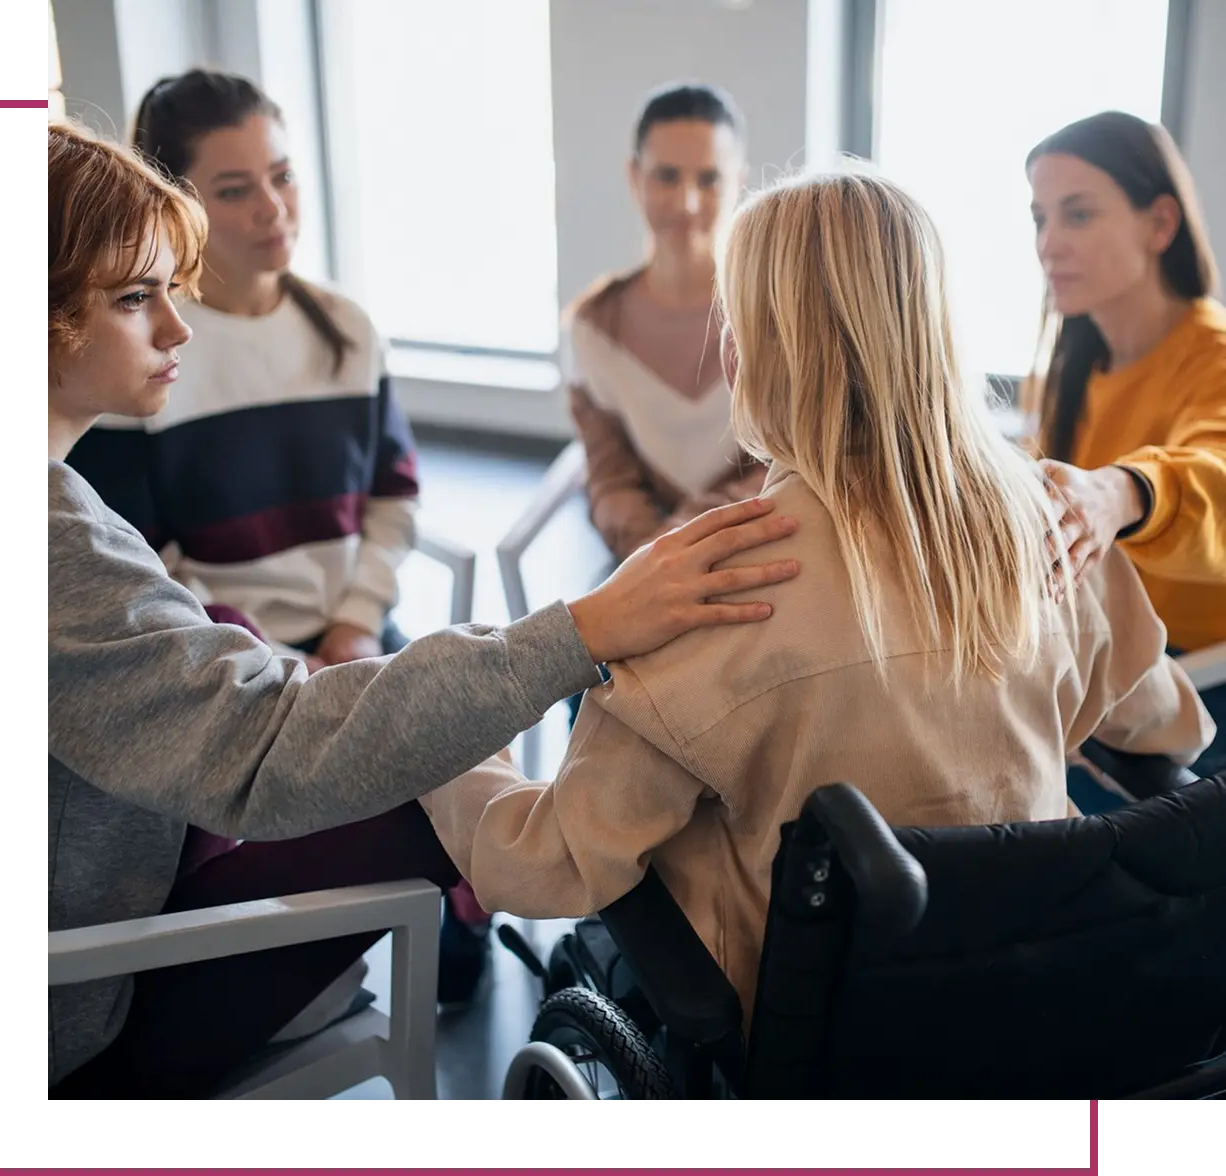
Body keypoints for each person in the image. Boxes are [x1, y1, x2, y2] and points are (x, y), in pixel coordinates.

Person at [44, 118, 802, 1099]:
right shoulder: (57, 540)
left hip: (151, 848)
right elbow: (268, 742)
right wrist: (583, 631)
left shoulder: (73, 504)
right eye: (135, 298)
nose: (179, 326)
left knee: (255, 642)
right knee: (421, 781)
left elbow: (378, 512)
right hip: (77, 1016)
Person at [419, 169, 1214, 1034]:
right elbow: (1172, 735)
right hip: (1035, 998)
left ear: (753, 347)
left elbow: (547, 864)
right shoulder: (1063, 530)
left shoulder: (716, 589)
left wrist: (455, 743)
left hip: (820, 1028)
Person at [62, 68, 484, 1002]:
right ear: (183, 206)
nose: (273, 208)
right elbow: (138, 562)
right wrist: (276, 657)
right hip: (219, 651)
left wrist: (357, 625)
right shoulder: (144, 358)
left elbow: (394, 497)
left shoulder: (344, 328)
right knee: (408, 790)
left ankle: (454, 952)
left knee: (459, 765)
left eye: (283, 176)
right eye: (235, 188)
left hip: (348, 629)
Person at [1024, 110, 1226, 796]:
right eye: (1039, 219)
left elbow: (1214, 476)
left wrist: (1117, 493)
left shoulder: (1215, 356)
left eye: (1077, 216)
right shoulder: (1068, 372)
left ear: (1160, 224)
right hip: (1112, 677)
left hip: (1199, 694)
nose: (1049, 244)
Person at [561, 81, 764, 722]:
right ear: (634, 177)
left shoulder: (774, 310)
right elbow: (608, 472)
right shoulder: (593, 324)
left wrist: (683, 541)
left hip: (758, 552)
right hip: (643, 558)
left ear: (740, 180)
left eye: (709, 178)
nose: (687, 202)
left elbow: (786, 463)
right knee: (585, 686)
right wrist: (650, 554)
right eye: (666, 177)